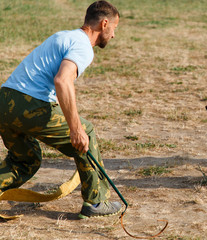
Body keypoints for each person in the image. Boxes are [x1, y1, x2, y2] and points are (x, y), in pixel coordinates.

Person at [0, 1, 121, 219]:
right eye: (114, 28)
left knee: (25, 160)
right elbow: (62, 81)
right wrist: (76, 130)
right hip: (30, 104)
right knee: (87, 131)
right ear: (104, 24)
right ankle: (96, 202)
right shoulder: (83, 46)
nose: (113, 35)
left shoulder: (64, 35)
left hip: (5, 100)